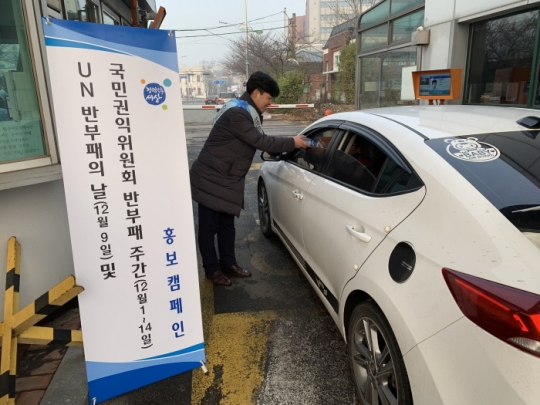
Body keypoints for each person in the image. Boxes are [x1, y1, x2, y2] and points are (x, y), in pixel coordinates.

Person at [190, 71, 309, 286]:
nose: (270, 103)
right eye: (269, 98)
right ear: (256, 93)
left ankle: (228, 263)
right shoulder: (239, 113)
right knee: (209, 228)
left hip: (226, 177)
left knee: (227, 225)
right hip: (212, 177)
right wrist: (294, 142)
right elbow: (262, 142)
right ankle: (212, 269)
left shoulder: (246, 110)